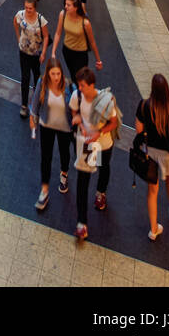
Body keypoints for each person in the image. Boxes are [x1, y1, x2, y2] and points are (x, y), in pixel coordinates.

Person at [71, 67, 121, 239]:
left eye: (83, 85)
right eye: (79, 85)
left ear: (92, 85)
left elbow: (113, 123)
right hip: (88, 145)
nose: (80, 89)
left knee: (103, 168)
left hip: (103, 144)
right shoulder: (77, 96)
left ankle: (101, 192)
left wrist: (98, 133)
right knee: (83, 180)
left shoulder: (105, 100)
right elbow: (74, 111)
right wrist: (81, 125)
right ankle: (81, 222)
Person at [135, 73, 169, 241]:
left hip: (151, 153)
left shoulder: (144, 106)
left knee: (152, 191)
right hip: (168, 154)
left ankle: (153, 229)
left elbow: (139, 130)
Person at [30, 59, 72, 210]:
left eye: (58, 74)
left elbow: (74, 106)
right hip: (46, 124)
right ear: (48, 73)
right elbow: (35, 103)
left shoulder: (68, 86)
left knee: (64, 153)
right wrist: (32, 117)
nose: (56, 77)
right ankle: (44, 190)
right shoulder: (42, 83)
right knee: (45, 158)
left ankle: (64, 174)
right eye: (53, 74)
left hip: (64, 127)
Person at [52, 0, 102, 87]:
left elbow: (92, 42)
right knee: (73, 75)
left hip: (81, 54)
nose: (65, 7)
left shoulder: (85, 23)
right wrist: (53, 52)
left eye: (68, 5)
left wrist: (98, 60)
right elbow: (58, 33)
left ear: (76, 8)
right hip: (67, 51)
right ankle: (77, 95)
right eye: (65, 4)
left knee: (82, 79)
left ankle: (81, 96)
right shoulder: (63, 14)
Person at [13, 0, 49, 119]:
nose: (28, 10)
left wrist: (43, 52)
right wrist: (19, 38)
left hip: (35, 53)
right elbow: (15, 23)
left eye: (30, 8)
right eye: (26, 7)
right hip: (23, 52)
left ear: (35, 8)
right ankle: (24, 105)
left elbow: (46, 36)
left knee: (37, 75)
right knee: (25, 77)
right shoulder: (20, 15)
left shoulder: (41, 20)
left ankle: (38, 95)